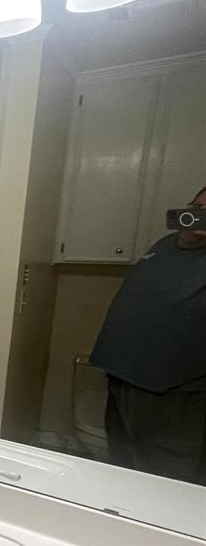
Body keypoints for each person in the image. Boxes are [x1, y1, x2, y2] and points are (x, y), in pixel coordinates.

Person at [90, 185, 206, 485]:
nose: (198, 218)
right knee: (123, 462)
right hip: (123, 377)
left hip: (173, 391)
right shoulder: (165, 244)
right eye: (197, 209)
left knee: (166, 476)